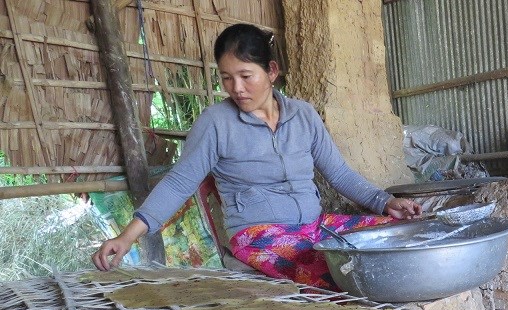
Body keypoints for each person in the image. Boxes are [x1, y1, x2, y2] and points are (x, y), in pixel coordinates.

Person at [92, 23, 421, 289]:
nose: (236, 88)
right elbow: (178, 184)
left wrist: (384, 202)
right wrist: (126, 237)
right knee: (338, 274)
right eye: (226, 78)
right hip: (260, 238)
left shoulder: (303, 116)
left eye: (245, 76)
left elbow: (338, 173)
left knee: (398, 239)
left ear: (271, 71)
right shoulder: (216, 123)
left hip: (316, 228)